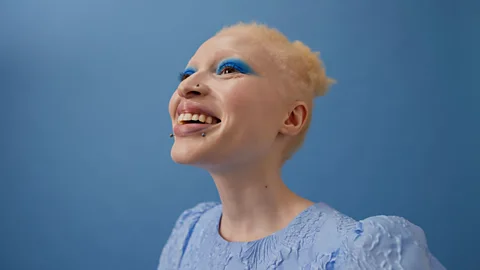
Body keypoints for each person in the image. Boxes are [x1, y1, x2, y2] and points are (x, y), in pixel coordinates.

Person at [158, 22, 445, 270]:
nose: (186, 86)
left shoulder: (359, 253)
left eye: (228, 69)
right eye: (186, 75)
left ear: (291, 118)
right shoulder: (188, 233)